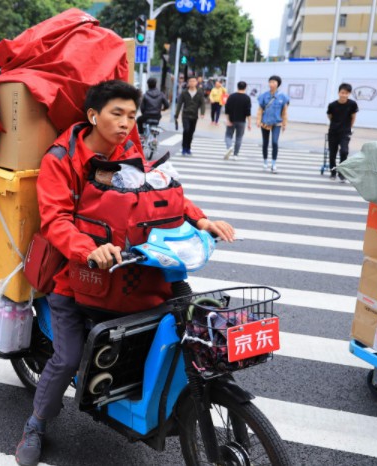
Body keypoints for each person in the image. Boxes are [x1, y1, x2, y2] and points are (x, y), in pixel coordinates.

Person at [14, 80, 236, 466]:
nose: (125, 123)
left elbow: (158, 196)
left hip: (138, 269)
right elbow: (56, 219)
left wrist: (201, 220)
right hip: (78, 277)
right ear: (93, 116)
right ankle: (35, 424)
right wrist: (90, 249)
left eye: (131, 116)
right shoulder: (61, 158)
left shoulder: (131, 148)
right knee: (67, 358)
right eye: (117, 114)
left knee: (189, 317)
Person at [256, 75, 289, 173]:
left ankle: (274, 164)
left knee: (275, 142)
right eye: (270, 82)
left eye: (274, 82)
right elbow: (260, 109)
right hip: (265, 122)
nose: (272, 84)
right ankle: (265, 162)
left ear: (278, 84)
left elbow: (284, 111)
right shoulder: (264, 96)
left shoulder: (283, 97)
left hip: (277, 123)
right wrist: (258, 120)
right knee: (265, 143)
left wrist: (284, 123)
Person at [326, 83, 358, 182]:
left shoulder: (352, 104)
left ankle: (342, 173)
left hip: (345, 132)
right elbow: (330, 117)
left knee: (344, 151)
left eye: (346, 93)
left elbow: (353, 117)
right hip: (333, 132)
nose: (344, 95)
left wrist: (348, 128)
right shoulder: (332, 105)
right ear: (339, 92)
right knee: (332, 153)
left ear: (349, 94)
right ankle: (333, 172)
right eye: (342, 92)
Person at [174, 76, 206, 156]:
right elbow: (179, 104)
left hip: (194, 115)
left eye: (193, 81)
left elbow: (202, 103)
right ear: (188, 83)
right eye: (190, 81)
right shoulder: (184, 92)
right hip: (185, 114)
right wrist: (176, 114)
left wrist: (202, 113)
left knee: (191, 132)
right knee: (186, 130)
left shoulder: (200, 92)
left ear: (196, 82)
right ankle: (184, 148)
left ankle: (188, 147)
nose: (192, 83)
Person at [223, 81, 252, 161]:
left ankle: (229, 147)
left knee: (228, 136)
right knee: (239, 138)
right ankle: (235, 155)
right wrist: (249, 123)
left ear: (237, 87)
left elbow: (227, 110)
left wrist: (228, 120)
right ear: (245, 87)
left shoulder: (231, 96)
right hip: (241, 121)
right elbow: (248, 112)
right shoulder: (247, 98)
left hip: (231, 120)